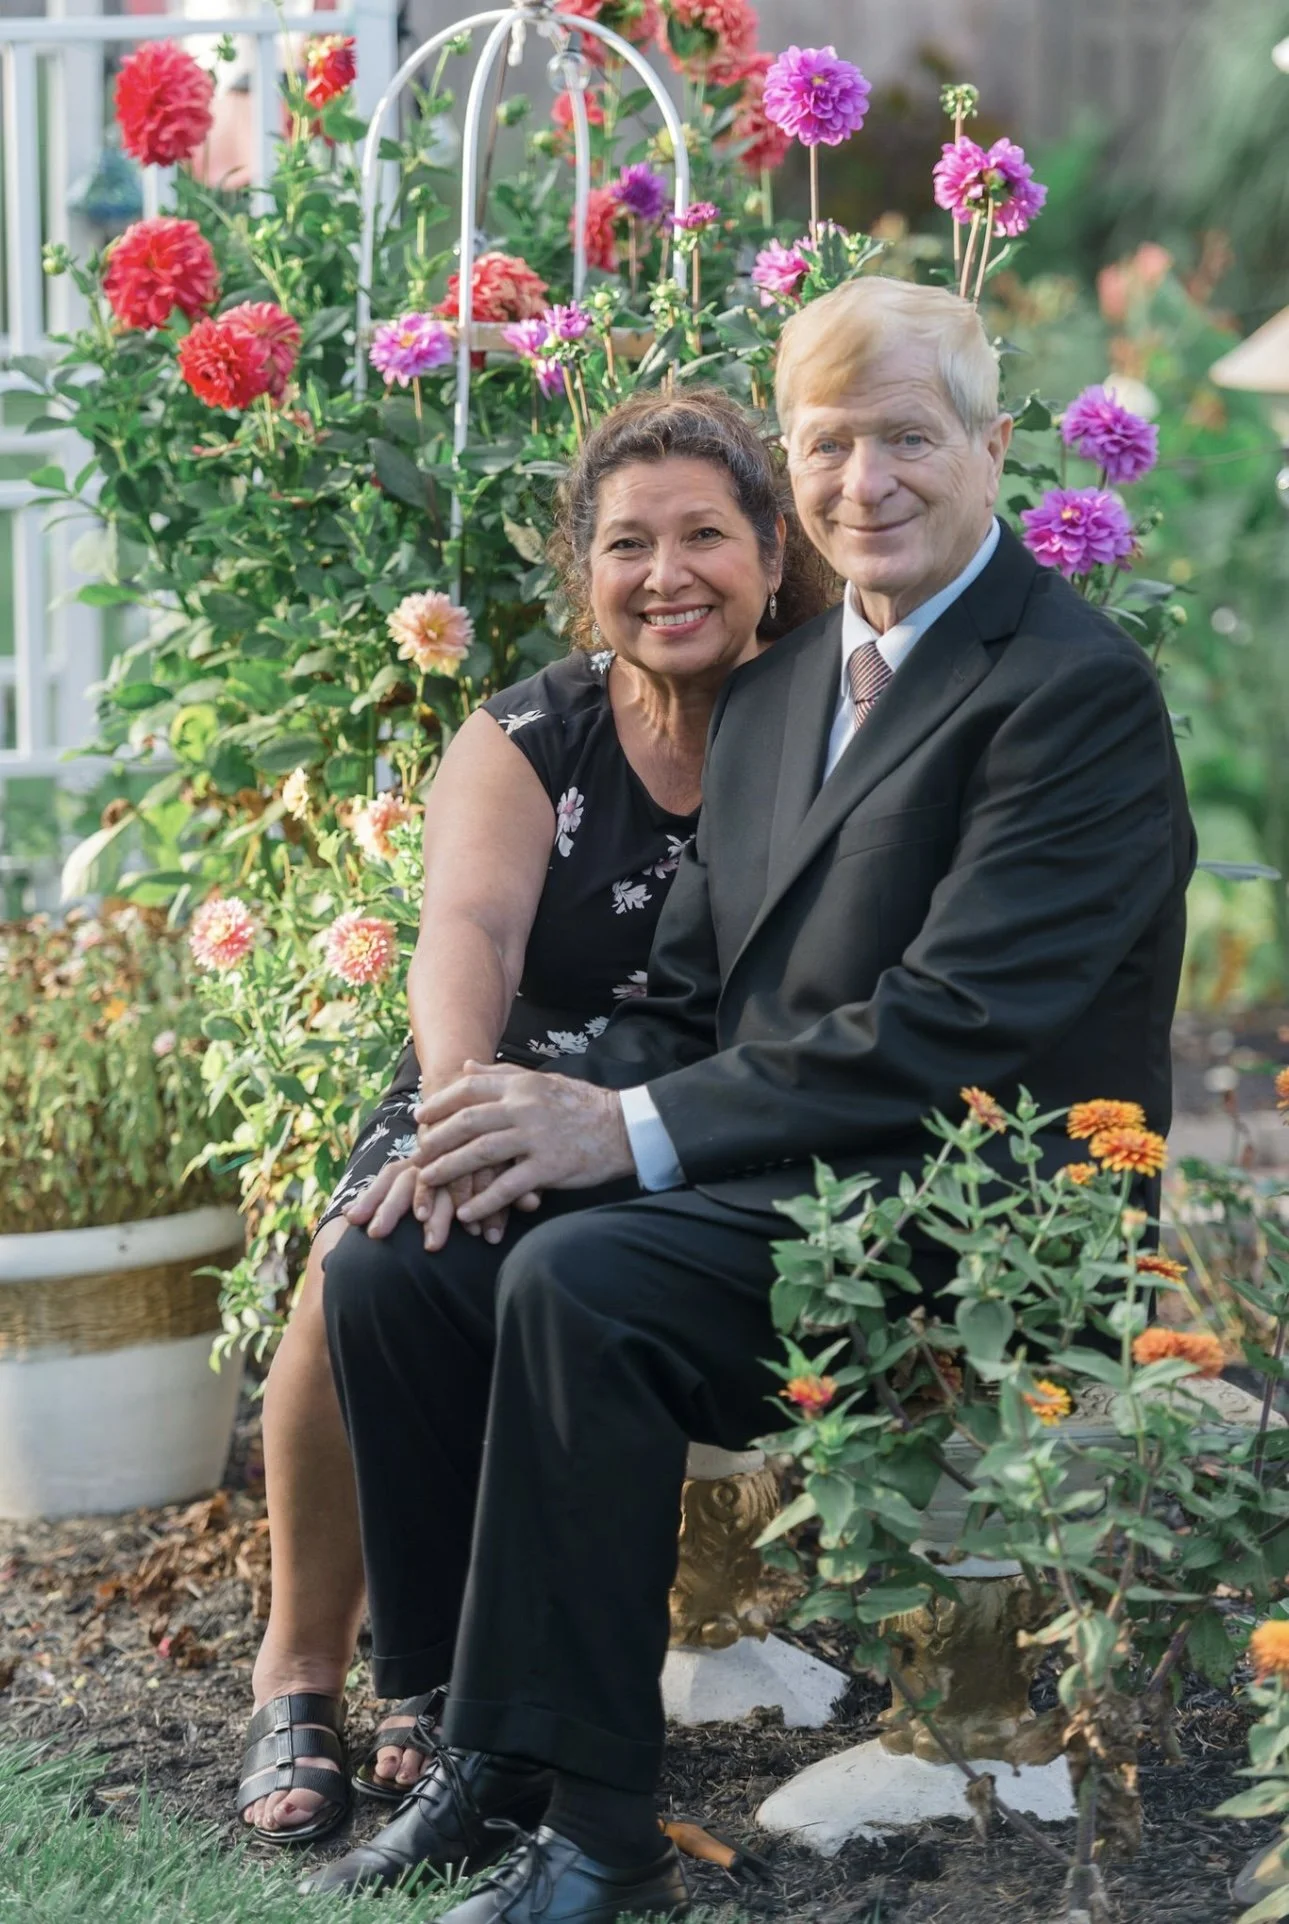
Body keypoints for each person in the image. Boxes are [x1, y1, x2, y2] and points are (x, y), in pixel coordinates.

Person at [310, 276, 1195, 1922]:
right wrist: (516, 1120)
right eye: (832, 444)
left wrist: (623, 1142)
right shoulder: (788, 689)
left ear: (995, 447)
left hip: (973, 1210)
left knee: (582, 1276)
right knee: (403, 1257)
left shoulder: (1072, 697)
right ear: (792, 472)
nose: (869, 482)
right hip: (777, 1175)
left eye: (909, 439)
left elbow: (953, 1026)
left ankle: (601, 1838)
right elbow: (690, 993)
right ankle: (478, 1752)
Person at [235, 389, 833, 1842]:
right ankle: (341, 1678)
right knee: (371, 1249)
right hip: (508, 1057)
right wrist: (460, 1117)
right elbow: (469, 931)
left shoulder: (830, 706)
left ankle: (483, 1698)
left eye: (706, 534)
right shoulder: (533, 731)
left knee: (510, 1264)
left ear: (772, 548)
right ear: (585, 571)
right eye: (628, 542)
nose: (667, 573)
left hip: (695, 1089)